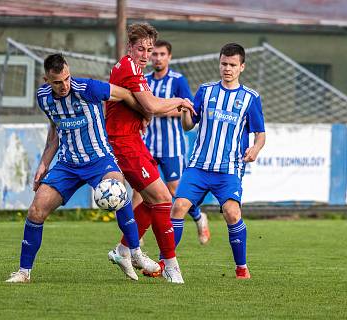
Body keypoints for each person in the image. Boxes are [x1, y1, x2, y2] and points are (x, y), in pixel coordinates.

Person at [6, 53, 160, 283]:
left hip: (99, 159)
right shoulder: (43, 98)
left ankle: (135, 253)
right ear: (46, 80)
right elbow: (54, 130)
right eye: (57, 82)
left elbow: (125, 93)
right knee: (36, 211)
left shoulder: (88, 88)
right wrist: (43, 164)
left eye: (66, 78)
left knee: (119, 189)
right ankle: (23, 272)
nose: (64, 85)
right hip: (68, 164)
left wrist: (144, 115)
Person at [105, 23, 195, 284]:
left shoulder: (133, 69)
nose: (145, 54)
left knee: (155, 199)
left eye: (149, 49)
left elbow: (144, 106)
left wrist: (146, 113)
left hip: (133, 140)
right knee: (163, 198)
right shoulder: (129, 68)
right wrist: (179, 101)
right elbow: (152, 105)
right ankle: (170, 265)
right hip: (124, 143)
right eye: (140, 49)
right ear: (129, 47)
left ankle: (123, 251)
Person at [174, 43, 266, 279]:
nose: (227, 68)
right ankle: (167, 263)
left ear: (242, 67)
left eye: (232, 65)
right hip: (198, 166)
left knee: (232, 213)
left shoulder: (250, 98)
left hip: (229, 169)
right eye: (224, 63)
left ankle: (241, 268)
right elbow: (188, 126)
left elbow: (260, 134)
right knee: (178, 207)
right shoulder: (205, 91)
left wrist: (255, 149)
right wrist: (185, 111)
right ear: (219, 63)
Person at [141, 39, 211, 246]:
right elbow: (143, 107)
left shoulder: (177, 80)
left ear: (169, 57)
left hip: (171, 146)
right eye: (154, 54)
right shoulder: (144, 80)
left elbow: (188, 107)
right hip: (147, 144)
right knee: (139, 188)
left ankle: (199, 217)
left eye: (162, 54)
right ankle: (137, 235)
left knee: (175, 191)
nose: (157, 58)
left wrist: (157, 109)